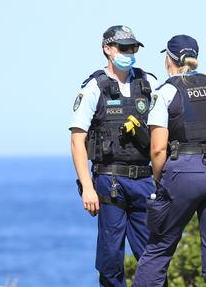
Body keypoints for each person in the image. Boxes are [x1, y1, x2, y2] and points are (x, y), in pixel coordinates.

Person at [132, 34, 206, 287]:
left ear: (169, 59)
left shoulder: (166, 92)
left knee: (159, 248)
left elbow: (158, 149)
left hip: (184, 171)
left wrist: (162, 180)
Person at [69, 25, 158, 287]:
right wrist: (87, 187)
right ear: (107, 49)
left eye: (133, 48)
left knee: (152, 258)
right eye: (123, 47)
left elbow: (164, 131)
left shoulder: (149, 83)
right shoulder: (94, 88)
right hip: (110, 182)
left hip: (144, 180)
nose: (129, 52)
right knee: (110, 260)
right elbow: (77, 140)